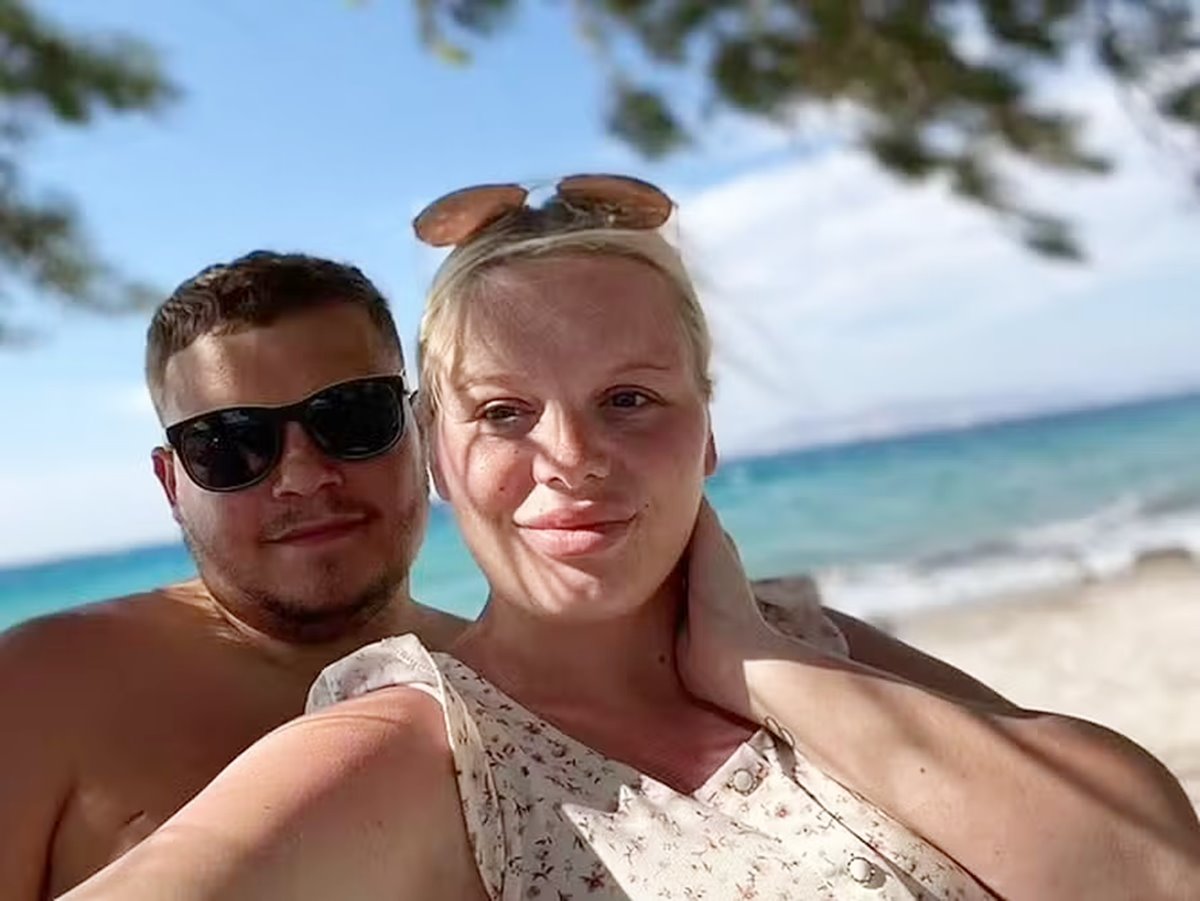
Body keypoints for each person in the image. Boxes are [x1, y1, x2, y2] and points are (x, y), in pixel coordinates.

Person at [61, 176, 1200, 900]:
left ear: (708, 430)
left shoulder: (814, 652)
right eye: (505, 412)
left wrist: (754, 666)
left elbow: (1150, 865)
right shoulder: (417, 739)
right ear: (438, 453)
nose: (571, 457)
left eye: (630, 399)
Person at [0, 252, 468, 899]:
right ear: (172, 484)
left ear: (420, 429)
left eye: (352, 416)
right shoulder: (39, 691)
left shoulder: (523, 688)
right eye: (229, 443)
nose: (304, 477)